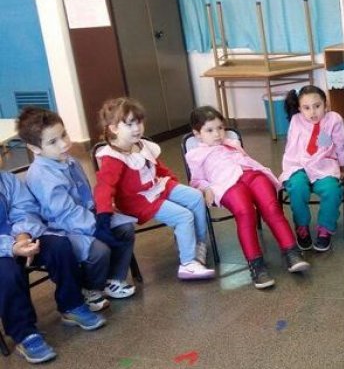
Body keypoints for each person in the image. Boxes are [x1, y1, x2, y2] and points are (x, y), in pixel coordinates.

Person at [17, 107, 136, 312]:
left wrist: (103, 213)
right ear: (35, 148)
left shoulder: (69, 160)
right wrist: (97, 227)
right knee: (98, 250)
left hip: (83, 216)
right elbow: (65, 214)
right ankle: (90, 289)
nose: (64, 143)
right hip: (61, 228)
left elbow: (86, 197)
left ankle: (113, 279)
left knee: (125, 228)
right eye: (53, 142)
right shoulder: (42, 175)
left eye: (63, 134)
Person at [0, 149, 106, 364]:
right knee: (8, 275)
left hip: (21, 237)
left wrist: (23, 236)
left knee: (60, 246)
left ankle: (71, 304)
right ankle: (24, 333)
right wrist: (12, 247)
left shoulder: (7, 180)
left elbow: (25, 209)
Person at [186, 107, 309, 289]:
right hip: (226, 185)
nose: (217, 134)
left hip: (252, 175)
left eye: (220, 128)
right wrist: (206, 188)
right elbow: (196, 180)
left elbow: (246, 161)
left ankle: (291, 252)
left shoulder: (232, 143)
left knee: (271, 207)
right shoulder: (195, 155)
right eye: (209, 130)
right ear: (197, 134)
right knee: (245, 212)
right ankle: (256, 265)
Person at [94, 97, 215, 280]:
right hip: (137, 200)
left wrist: (173, 183)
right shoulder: (113, 157)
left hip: (157, 186)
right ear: (114, 128)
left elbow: (158, 167)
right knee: (183, 216)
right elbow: (104, 188)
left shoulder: (140, 144)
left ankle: (198, 244)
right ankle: (188, 263)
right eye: (129, 124)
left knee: (195, 197)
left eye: (139, 122)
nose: (137, 128)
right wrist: (103, 215)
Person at [280, 86, 344, 252]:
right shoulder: (296, 120)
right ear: (299, 108)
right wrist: (293, 169)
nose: (313, 112)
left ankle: (325, 229)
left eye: (317, 106)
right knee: (297, 187)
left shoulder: (334, 119)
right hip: (299, 165)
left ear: (326, 104)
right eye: (306, 108)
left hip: (324, 165)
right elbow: (292, 149)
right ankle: (302, 226)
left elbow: (340, 145)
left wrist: (343, 167)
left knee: (332, 190)